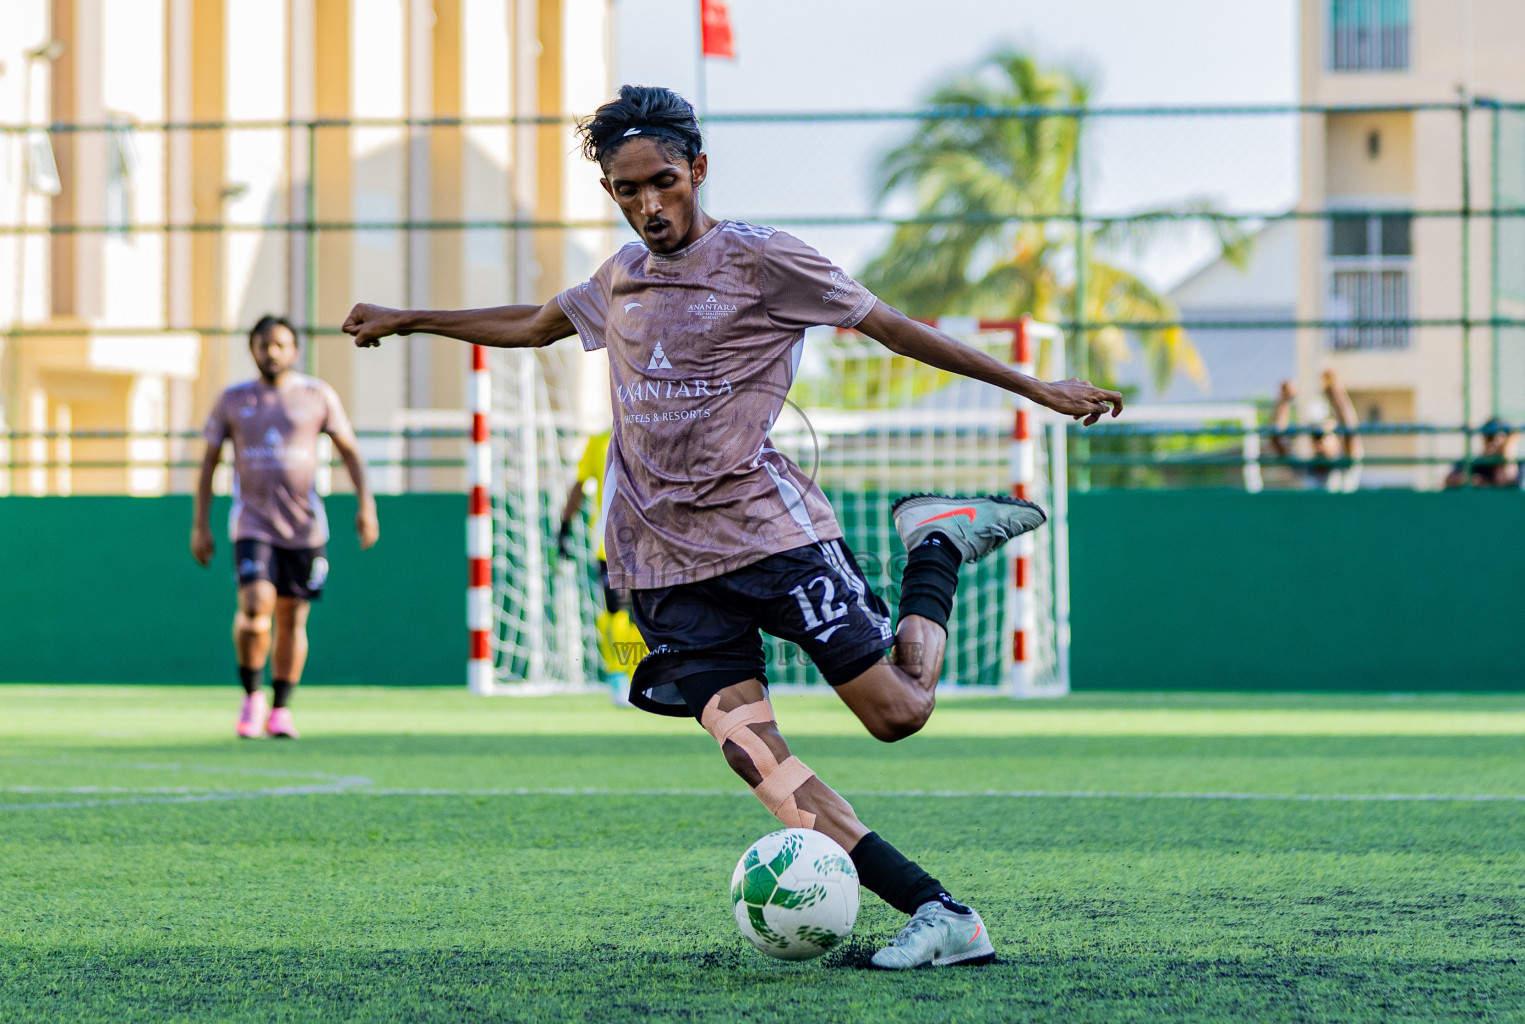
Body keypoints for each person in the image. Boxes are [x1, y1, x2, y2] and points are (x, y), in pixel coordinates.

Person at [343, 85, 1120, 969]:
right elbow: (530, 324)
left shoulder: (765, 261)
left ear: (698, 171)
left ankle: (935, 545)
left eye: (662, 182)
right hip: (660, 569)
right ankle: (941, 914)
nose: (647, 205)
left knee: (899, 713)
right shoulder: (619, 278)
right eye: (626, 189)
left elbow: (897, 330)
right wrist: (410, 319)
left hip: (771, 540)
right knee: (764, 766)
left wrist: (1039, 389)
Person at [192, 315, 379, 739]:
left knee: (293, 617)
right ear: (252, 350)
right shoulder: (233, 399)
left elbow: (350, 451)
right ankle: (251, 696)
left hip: (305, 529)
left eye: (280, 345)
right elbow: (208, 463)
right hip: (252, 524)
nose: (271, 352)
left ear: (294, 350)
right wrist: (200, 524)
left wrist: (365, 505)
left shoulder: (317, 395)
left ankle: (280, 708)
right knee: (256, 608)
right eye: (263, 345)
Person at [557, 429, 648, 705]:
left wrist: (564, 527)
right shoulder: (601, 441)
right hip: (615, 545)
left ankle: (636, 676)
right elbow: (581, 485)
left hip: (643, 543)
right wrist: (565, 526)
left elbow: (579, 486)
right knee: (621, 610)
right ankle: (619, 676)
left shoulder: (640, 436)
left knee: (639, 613)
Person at [1270, 369, 1363, 492]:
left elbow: (1351, 432)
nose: (1319, 440)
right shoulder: (1305, 470)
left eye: (1324, 435)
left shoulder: (1345, 467)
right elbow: (1277, 439)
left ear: (1337, 439)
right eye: (1315, 436)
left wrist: (1333, 390)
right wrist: (1285, 400)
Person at [1445, 417, 1525, 488]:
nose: (1493, 442)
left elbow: (1505, 480)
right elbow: (1450, 479)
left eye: (1498, 437)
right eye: (1489, 438)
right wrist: (1475, 480)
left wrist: (1508, 450)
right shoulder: (1475, 462)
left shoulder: (1517, 464)